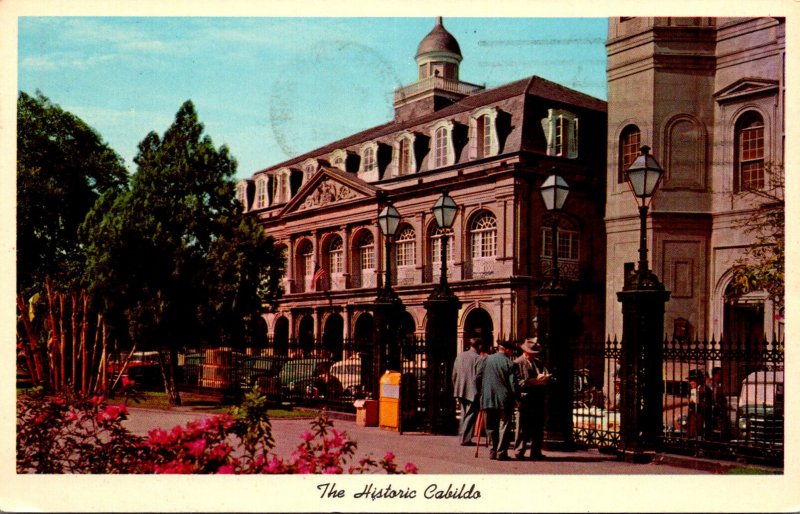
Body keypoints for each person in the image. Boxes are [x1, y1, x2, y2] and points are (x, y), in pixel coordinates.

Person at [475, 339, 518, 460]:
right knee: (503, 425)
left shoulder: (486, 360)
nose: (511, 352)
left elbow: (477, 378)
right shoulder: (510, 363)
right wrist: (517, 399)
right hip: (504, 399)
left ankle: (492, 451)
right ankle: (501, 452)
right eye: (511, 350)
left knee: (490, 426)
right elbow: (513, 384)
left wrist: (481, 393)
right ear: (507, 350)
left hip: (487, 398)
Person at [513, 338, 550, 460]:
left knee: (538, 426)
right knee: (523, 427)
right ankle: (519, 451)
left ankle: (536, 451)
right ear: (526, 352)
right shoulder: (518, 363)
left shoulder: (538, 362)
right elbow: (517, 382)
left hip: (537, 398)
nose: (534, 356)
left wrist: (544, 379)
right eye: (532, 354)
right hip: (525, 399)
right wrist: (533, 382)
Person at [452, 337, 482, 446]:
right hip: (472, 391)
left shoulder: (460, 356)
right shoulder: (478, 358)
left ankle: (462, 436)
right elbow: (479, 377)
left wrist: (456, 386)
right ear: (479, 346)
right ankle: (465, 438)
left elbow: (454, 374)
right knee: (471, 414)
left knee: (464, 413)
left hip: (460, 389)